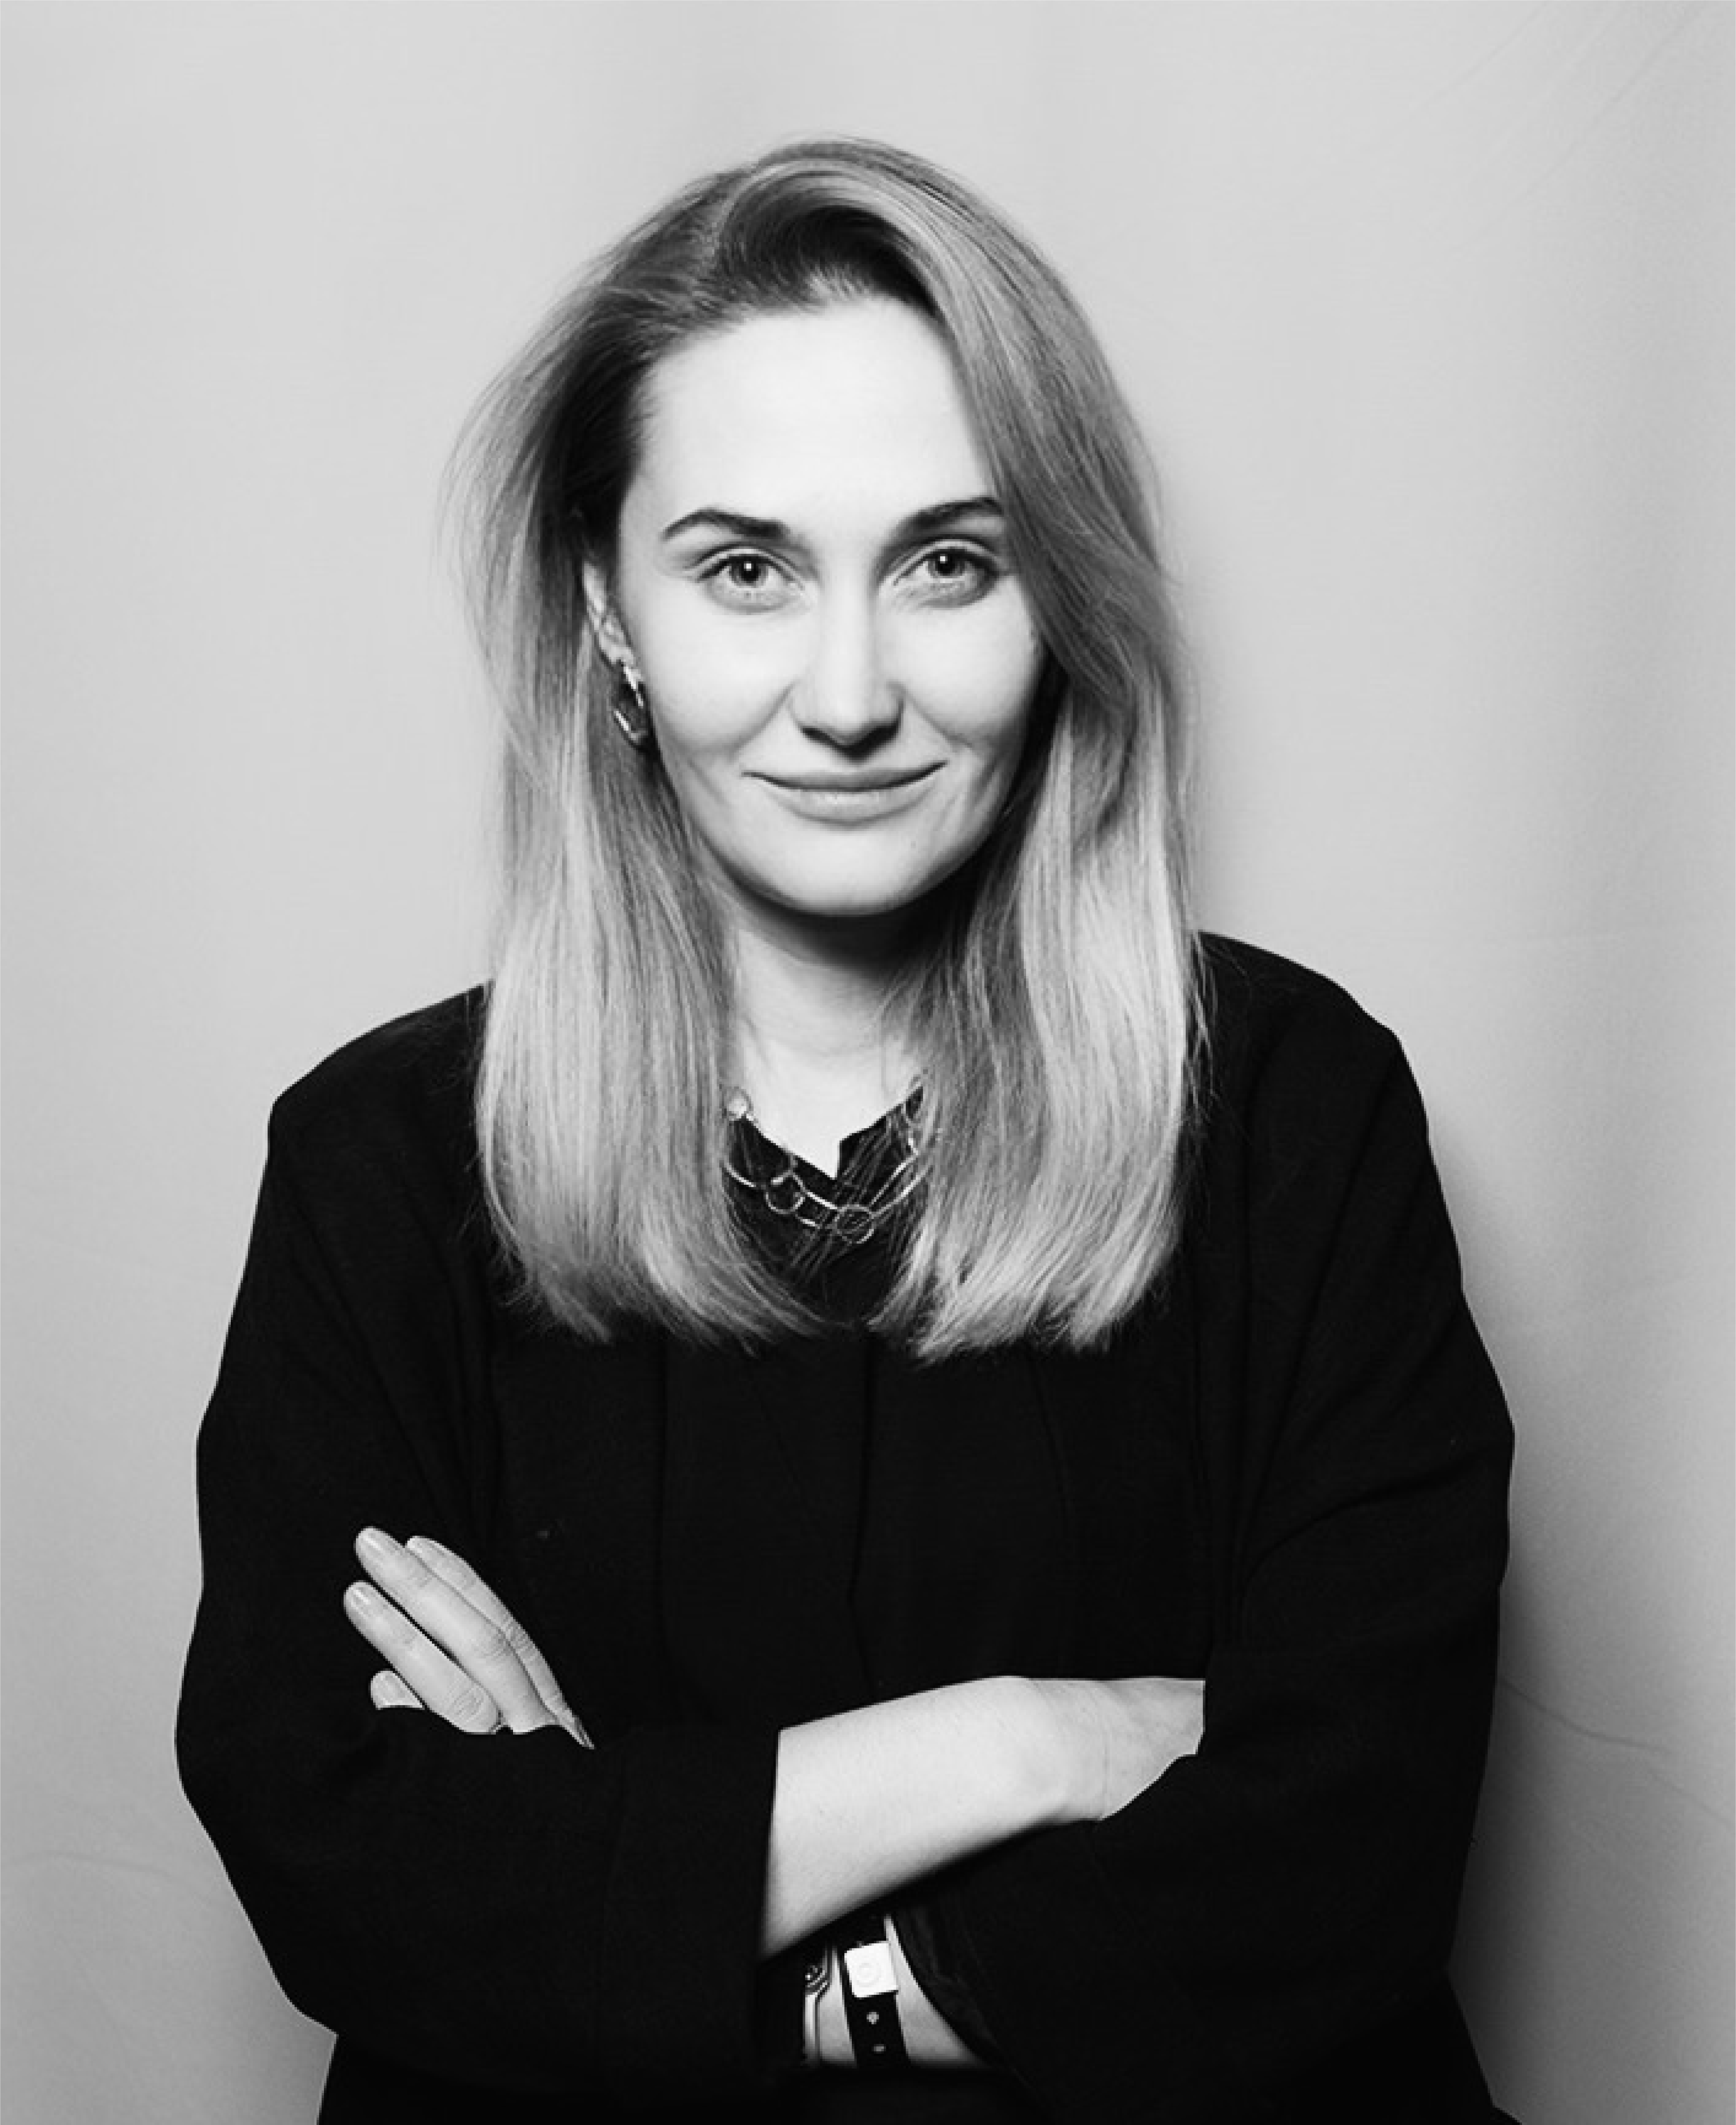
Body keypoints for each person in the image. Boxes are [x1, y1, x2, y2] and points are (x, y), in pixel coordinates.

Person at [177, 137, 1515, 2123]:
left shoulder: (1294, 1109)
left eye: (948, 563)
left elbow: (1347, 1861)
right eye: (747, 570)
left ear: (1057, 597)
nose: (854, 692)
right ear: (609, 614)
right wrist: (1025, 1745)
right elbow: (354, 1868)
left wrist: (643, 1916)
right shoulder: (381, 1166)